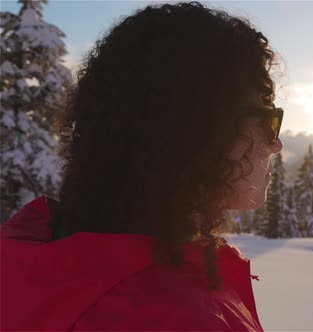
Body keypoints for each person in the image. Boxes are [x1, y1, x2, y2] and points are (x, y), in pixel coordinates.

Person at [0, 2, 283, 331]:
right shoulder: (175, 316)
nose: (275, 144)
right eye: (267, 122)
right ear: (198, 132)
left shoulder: (30, 256)